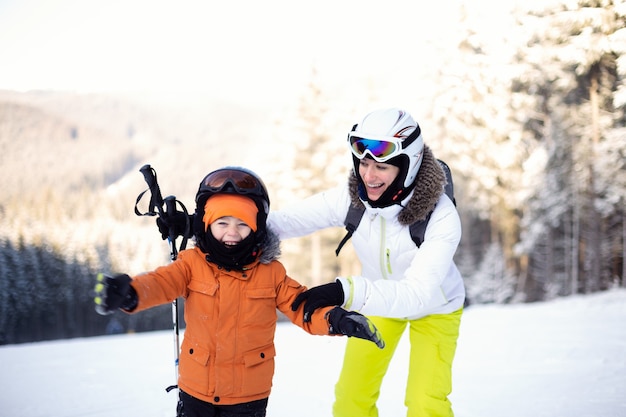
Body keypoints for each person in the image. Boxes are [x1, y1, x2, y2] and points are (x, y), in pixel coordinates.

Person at [93, 166, 384, 417]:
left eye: (242, 224)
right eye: (222, 223)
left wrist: (336, 320)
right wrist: (131, 292)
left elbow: (302, 307)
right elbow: (160, 283)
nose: (232, 232)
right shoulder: (191, 265)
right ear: (207, 224)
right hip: (196, 390)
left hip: (248, 397)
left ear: (256, 228)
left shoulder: (271, 273)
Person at [267, 108, 465, 417]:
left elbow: (415, 294)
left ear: (408, 166)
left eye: (381, 168)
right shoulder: (354, 199)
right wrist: (209, 222)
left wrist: (343, 291)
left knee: (426, 404)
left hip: (435, 309)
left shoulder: (440, 217)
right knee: (351, 401)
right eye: (364, 163)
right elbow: (284, 222)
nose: (368, 176)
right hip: (379, 301)